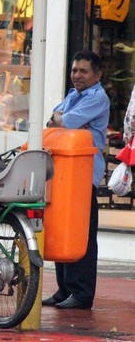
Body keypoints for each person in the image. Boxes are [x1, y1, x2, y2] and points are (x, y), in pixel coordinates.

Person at [42, 50, 109, 310]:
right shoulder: (74, 95)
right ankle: (65, 288)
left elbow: (65, 120)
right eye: (74, 70)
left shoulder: (98, 98)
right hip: (65, 173)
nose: (77, 75)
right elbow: (53, 120)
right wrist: (64, 122)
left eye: (83, 71)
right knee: (62, 227)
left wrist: (65, 122)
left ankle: (81, 293)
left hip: (84, 174)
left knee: (82, 234)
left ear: (97, 74)